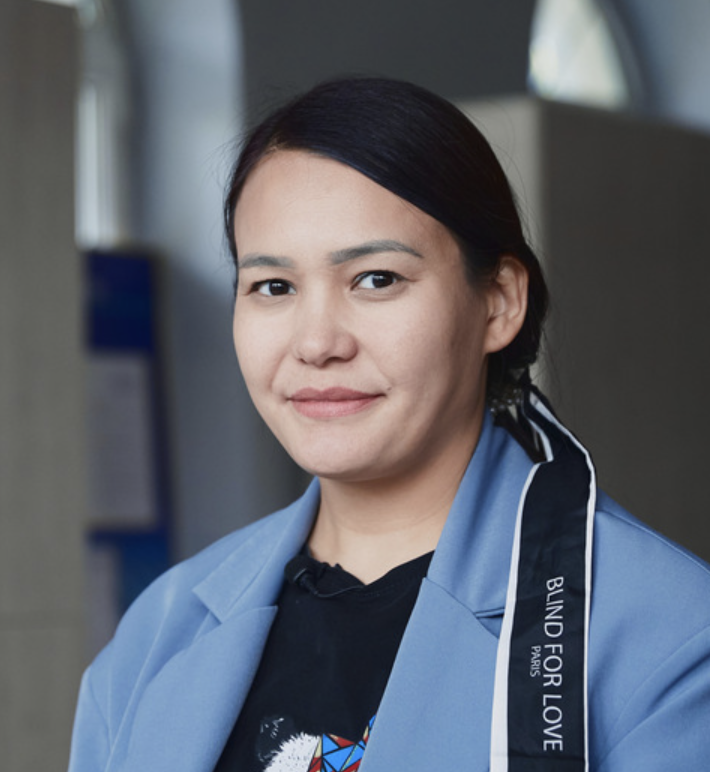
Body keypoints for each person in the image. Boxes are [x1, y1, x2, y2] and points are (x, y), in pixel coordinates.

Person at [68, 78, 710, 772]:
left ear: (499, 302)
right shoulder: (159, 633)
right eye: (273, 286)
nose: (317, 343)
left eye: (376, 279)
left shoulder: (666, 637)